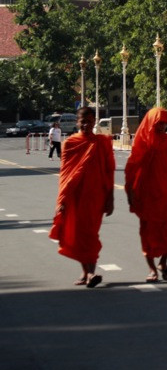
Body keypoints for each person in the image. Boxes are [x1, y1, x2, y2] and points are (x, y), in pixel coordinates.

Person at [50, 106, 115, 288]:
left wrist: (110, 198)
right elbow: (65, 174)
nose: (86, 124)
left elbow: (109, 172)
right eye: (83, 121)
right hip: (75, 197)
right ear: (77, 122)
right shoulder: (70, 143)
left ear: (95, 122)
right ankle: (87, 272)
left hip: (96, 197)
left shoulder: (102, 143)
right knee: (77, 234)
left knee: (90, 234)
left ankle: (91, 272)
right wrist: (62, 200)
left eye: (90, 121)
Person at [126, 108, 167, 283]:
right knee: (148, 234)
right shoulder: (141, 144)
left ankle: (163, 263)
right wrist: (130, 192)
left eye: (164, 123)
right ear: (150, 123)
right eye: (158, 123)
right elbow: (131, 170)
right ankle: (152, 269)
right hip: (146, 196)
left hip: (166, 194)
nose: (161, 127)